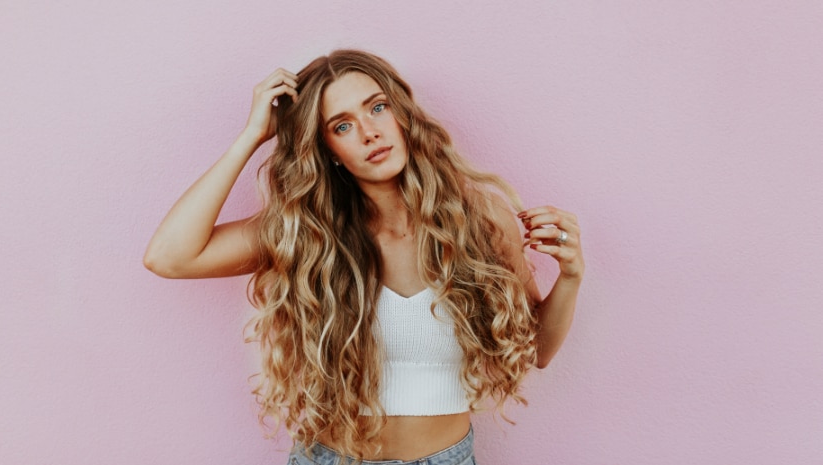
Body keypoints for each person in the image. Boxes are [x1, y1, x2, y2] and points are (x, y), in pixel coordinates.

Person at [144, 49, 584, 464]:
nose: (369, 132)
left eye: (376, 108)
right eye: (341, 125)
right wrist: (253, 136)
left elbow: (536, 351)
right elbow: (170, 256)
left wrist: (569, 277)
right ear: (327, 151)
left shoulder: (479, 219)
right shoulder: (309, 233)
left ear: (402, 114)